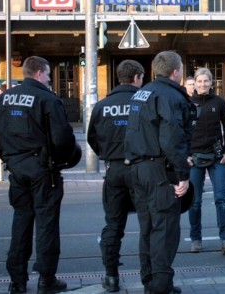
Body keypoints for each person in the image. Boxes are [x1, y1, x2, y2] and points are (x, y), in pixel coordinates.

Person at [0, 56, 77, 294]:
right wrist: (57, 162)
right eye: (48, 74)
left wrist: (10, 159)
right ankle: (47, 280)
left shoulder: (4, 98)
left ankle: (17, 281)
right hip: (43, 170)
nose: (49, 78)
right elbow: (63, 139)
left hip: (17, 169)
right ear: (39, 73)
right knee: (46, 225)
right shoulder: (47, 99)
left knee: (21, 222)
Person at [124, 51, 195, 294]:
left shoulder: (141, 94)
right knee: (164, 232)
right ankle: (161, 287)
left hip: (138, 169)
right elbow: (172, 139)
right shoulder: (170, 96)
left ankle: (150, 282)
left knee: (148, 229)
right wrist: (183, 175)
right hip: (160, 171)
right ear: (176, 72)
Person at [87, 60, 145, 292]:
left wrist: (107, 154)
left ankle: (111, 276)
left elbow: (92, 137)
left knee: (113, 225)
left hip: (113, 170)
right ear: (137, 78)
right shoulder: (143, 102)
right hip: (140, 169)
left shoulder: (103, 105)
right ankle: (148, 275)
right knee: (148, 223)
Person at [187, 67, 225, 255]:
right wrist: (186, 155)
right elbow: (180, 131)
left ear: (211, 82)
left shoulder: (219, 102)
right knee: (194, 202)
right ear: (194, 84)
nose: (202, 85)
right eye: (199, 82)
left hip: (216, 158)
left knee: (221, 199)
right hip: (194, 159)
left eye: (206, 81)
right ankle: (196, 239)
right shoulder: (187, 103)